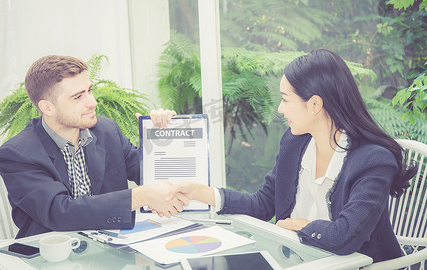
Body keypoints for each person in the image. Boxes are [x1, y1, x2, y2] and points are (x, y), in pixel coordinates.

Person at [168, 49, 416, 263]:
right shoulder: (294, 143)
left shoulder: (374, 161)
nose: (280, 108)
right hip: (301, 260)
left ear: (315, 105)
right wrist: (202, 193)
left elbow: (345, 237)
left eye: (285, 99)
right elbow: (264, 204)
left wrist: (302, 226)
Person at [0, 55, 188, 238]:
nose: (93, 102)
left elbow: (150, 176)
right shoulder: (16, 154)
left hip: (113, 246)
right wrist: (140, 196)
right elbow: (60, 212)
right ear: (47, 107)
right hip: (52, 256)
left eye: (89, 90)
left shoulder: (107, 130)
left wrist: (161, 135)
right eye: (78, 97)